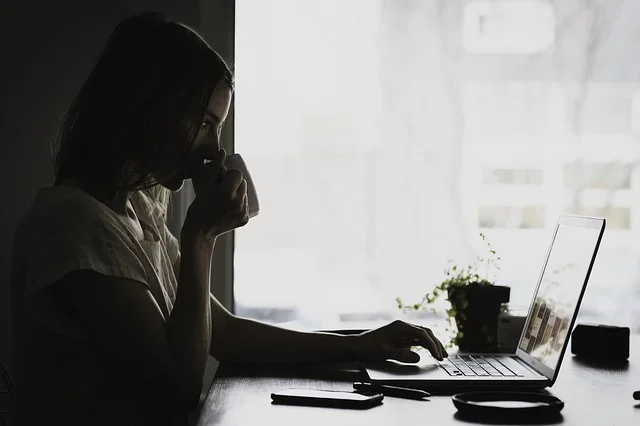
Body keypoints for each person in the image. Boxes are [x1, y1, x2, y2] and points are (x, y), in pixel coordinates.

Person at [9, 12, 447, 426]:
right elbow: (178, 383)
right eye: (204, 123)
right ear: (148, 108)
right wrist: (200, 234)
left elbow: (224, 332)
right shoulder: (74, 225)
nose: (215, 149)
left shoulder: (137, 210)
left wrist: (360, 344)